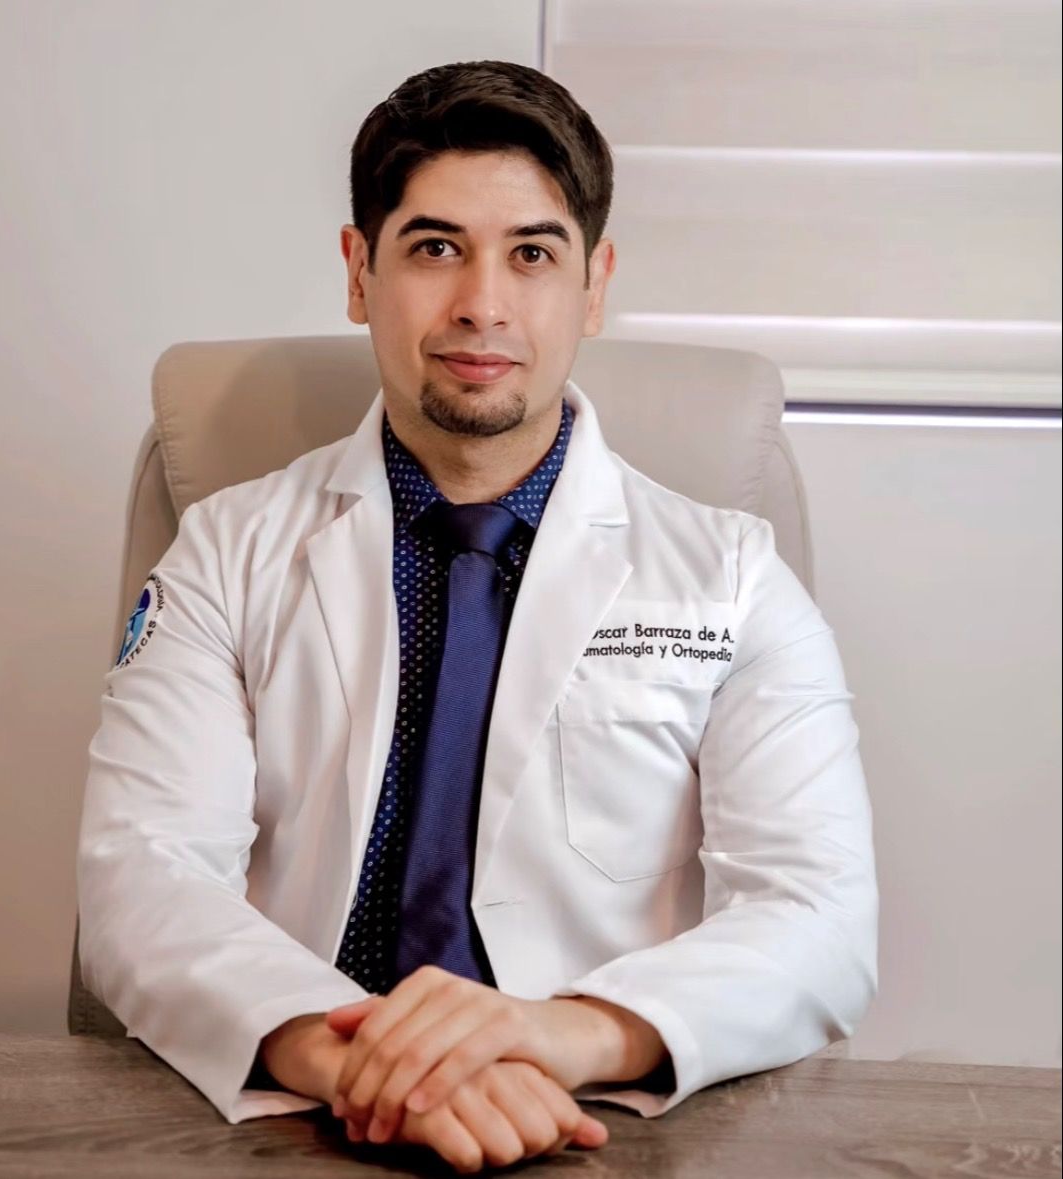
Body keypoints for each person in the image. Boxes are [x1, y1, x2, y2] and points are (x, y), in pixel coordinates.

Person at [77, 60, 878, 1173]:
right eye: (435, 248)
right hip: (307, 1118)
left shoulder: (732, 577)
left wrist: (554, 1035)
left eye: (533, 255)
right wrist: (352, 1057)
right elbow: (142, 876)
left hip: (595, 1124)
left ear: (593, 285)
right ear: (359, 271)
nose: (482, 306)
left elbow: (819, 918)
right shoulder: (227, 550)